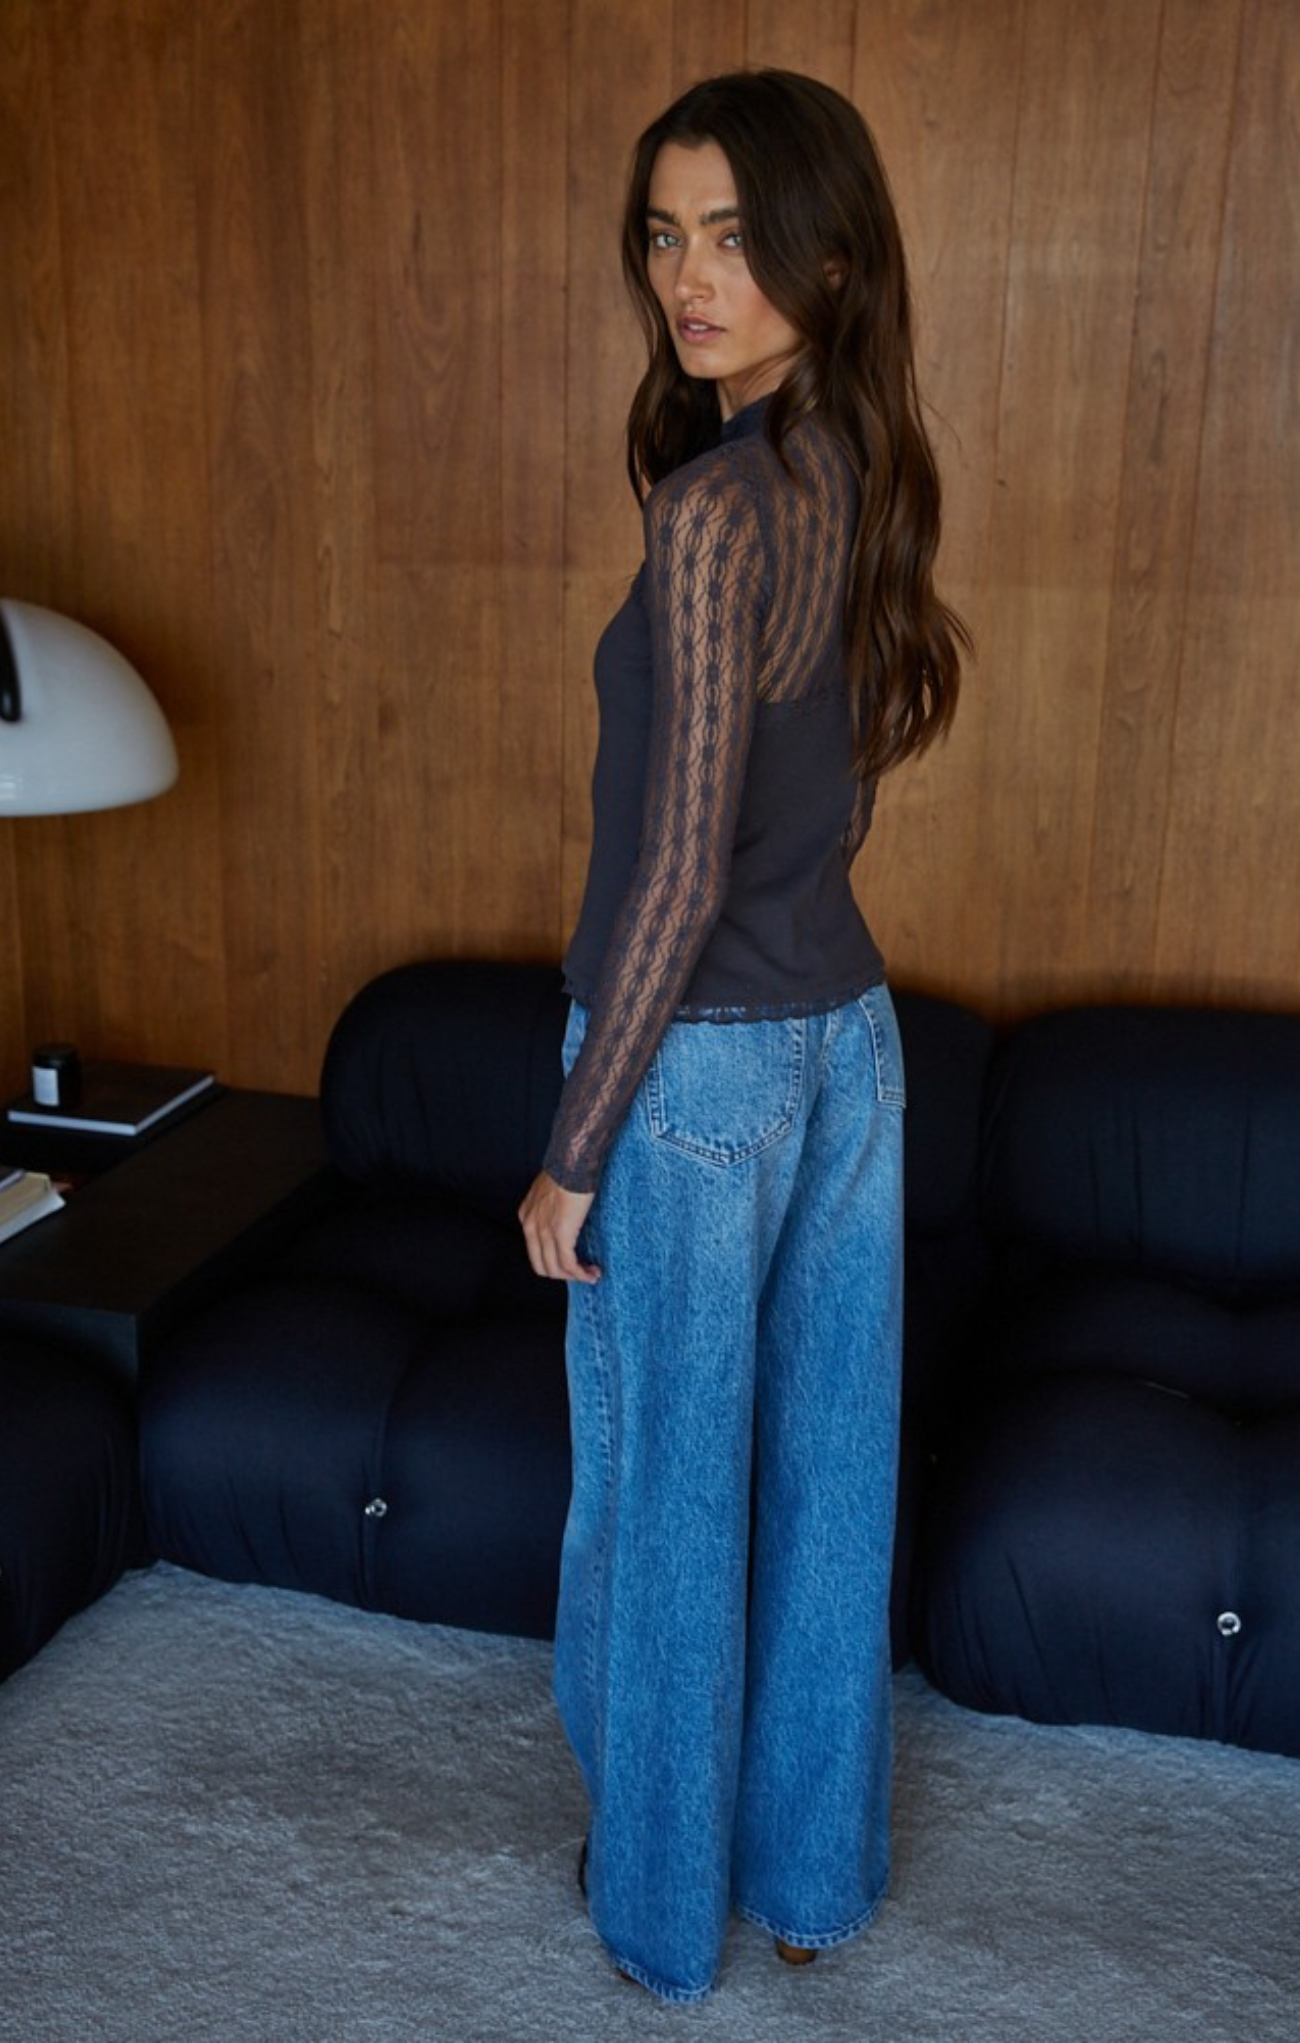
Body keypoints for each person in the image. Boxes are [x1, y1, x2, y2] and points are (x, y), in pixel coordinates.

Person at [519, 67, 968, 2003]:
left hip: (691, 1067)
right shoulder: (860, 468)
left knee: (663, 1493)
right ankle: (809, 1878)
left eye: (733, 236)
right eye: (664, 234)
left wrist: (572, 1144)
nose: (690, 277)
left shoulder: (714, 512)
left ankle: (652, 1919)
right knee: (826, 1480)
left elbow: (678, 868)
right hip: (851, 1049)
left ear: (827, 256)